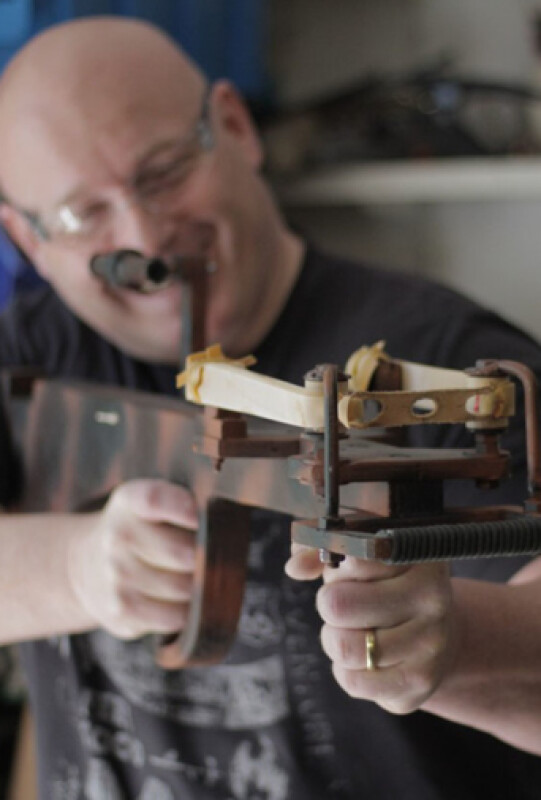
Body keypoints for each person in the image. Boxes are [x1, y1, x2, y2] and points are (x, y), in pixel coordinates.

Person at [0, 16, 541, 800]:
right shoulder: (32, 350)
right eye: (86, 214)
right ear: (28, 239)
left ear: (235, 126)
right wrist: (78, 569)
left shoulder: (443, 363)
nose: (146, 236)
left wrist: (454, 641)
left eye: (164, 171)